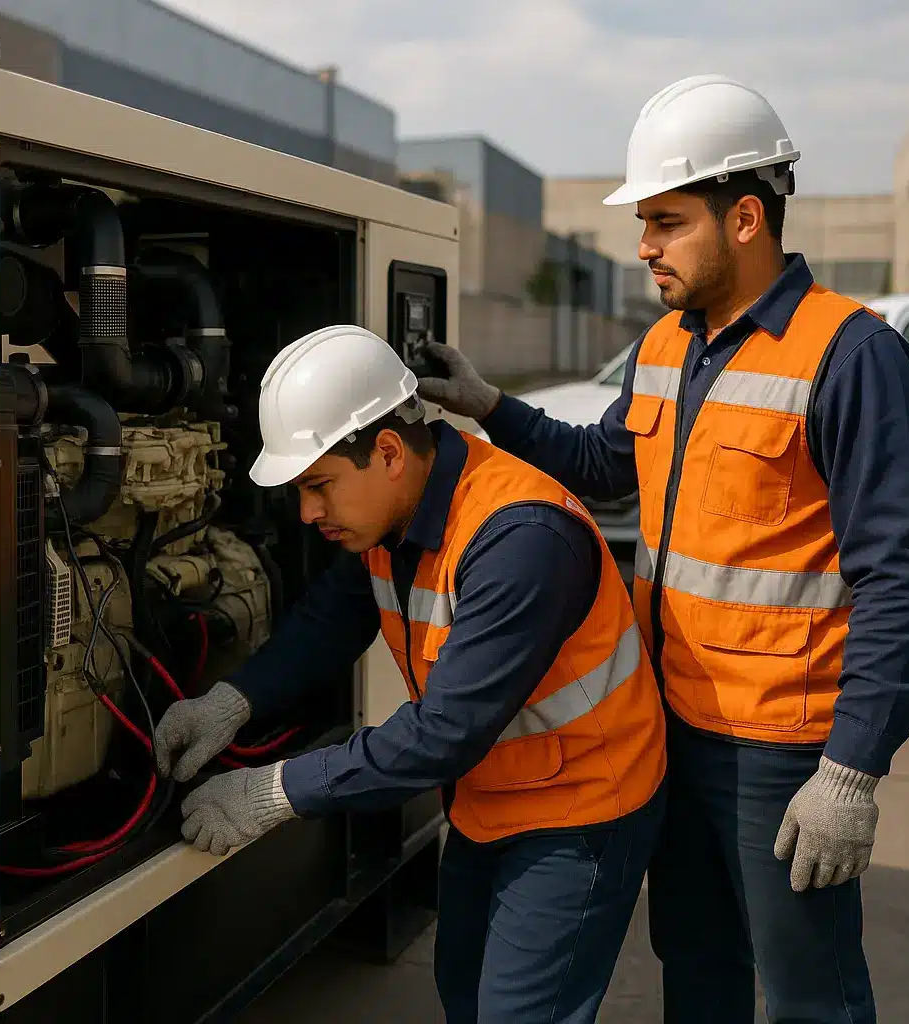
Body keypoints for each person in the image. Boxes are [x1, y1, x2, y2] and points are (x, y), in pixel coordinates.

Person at [416, 75, 909, 1024]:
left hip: (780, 752)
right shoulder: (668, 343)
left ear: (745, 218)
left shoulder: (850, 356)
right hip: (670, 724)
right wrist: (489, 407)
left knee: (809, 995)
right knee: (697, 965)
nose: (644, 246)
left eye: (666, 222)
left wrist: (852, 773)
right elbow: (609, 463)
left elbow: (900, 584)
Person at [154, 324, 668, 1023]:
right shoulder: (392, 514)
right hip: (493, 795)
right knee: (463, 987)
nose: (307, 513)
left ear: (389, 452)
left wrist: (273, 793)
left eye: (319, 486)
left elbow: (441, 736)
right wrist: (233, 700)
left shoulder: (520, 539)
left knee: (518, 1014)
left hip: (579, 812)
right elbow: (330, 620)